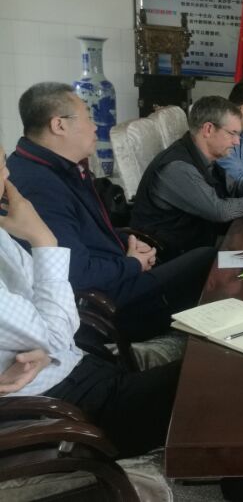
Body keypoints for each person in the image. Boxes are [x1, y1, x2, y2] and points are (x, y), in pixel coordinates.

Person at [0, 151, 179, 458]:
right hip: (55, 415)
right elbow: (55, 331)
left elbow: (53, 318)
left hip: (77, 364)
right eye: (1, 167)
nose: (7, 176)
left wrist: (48, 345)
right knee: (223, 381)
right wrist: (44, 240)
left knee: (230, 365)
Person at [7, 82, 214, 342]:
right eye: (88, 117)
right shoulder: (39, 186)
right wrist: (132, 264)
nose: (95, 127)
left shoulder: (59, 166)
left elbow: (86, 229)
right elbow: (75, 274)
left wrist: (128, 244)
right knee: (209, 260)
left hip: (117, 270)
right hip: (107, 305)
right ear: (59, 125)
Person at [130, 95, 243, 258]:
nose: (237, 142)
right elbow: (219, 210)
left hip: (200, 241)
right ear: (208, 129)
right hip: (171, 256)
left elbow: (234, 186)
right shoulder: (177, 167)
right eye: (232, 133)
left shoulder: (205, 156)